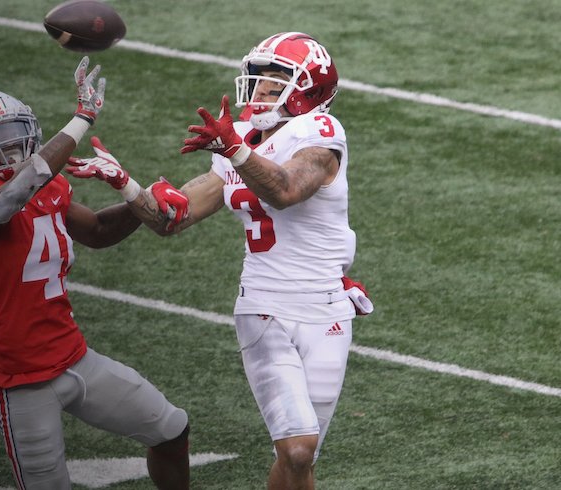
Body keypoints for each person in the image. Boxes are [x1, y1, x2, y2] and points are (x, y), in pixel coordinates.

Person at [66, 33, 373, 490]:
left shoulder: (321, 135)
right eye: (259, 78)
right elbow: (171, 218)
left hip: (327, 311)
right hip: (264, 308)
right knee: (298, 446)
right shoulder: (241, 142)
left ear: (309, 89)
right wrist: (126, 184)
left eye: (276, 80)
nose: (261, 89)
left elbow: (286, 190)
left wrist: (236, 150)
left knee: (298, 461)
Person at [0, 57, 190, 490]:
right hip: (19, 380)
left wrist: (138, 195)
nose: (12, 149)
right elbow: (11, 199)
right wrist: (82, 119)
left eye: (18, 136)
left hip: (75, 358)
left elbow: (96, 230)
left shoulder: (51, 185)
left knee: (172, 430)